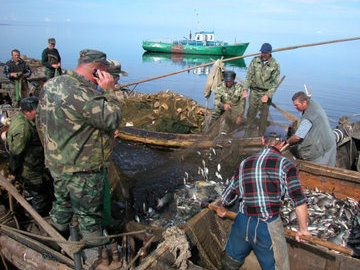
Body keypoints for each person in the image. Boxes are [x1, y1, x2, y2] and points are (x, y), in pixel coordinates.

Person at [37, 49, 122, 265]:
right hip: (83, 171)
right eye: (106, 72)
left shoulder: (51, 85)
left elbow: (41, 122)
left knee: (61, 208)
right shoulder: (86, 94)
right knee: (89, 219)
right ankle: (96, 263)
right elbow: (112, 119)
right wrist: (109, 91)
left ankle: (46, 250)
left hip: (57, 165)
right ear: (98, 70)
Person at [217, 125, 310, 270]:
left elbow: (229, 194)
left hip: (242, 222)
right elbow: (298, 200)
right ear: (282, 144)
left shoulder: (244, 163)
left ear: (262, 140)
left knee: (230, 262)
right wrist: (303, 229)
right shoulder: (287, 166)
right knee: (278, 266)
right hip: (267, 226)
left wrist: (222, 208)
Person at [7, 96, 53, 217]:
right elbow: (16, 153)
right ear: (27, 112)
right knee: (39, 197)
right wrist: (13, 171)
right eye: (36, 112)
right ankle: (34, 219)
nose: (39, 115)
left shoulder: (25, 120)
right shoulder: (23, 128)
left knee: (40, 193)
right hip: (29, 170)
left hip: (35, 165)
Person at [287, 91, 337, 166]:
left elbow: (297, 137)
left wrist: (288, 141)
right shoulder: (313, 104)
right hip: (330, 142)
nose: (295, 107)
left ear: (304, 102)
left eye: (297, 105)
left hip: (321, 150)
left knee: (319, 172)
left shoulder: (308, 118)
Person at [242, 43, 280, 136]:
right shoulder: (255, 60)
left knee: (263, 116)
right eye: (262, 52)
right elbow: (249, 76)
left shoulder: (275, 65)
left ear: (270, 52)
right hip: (254, 92)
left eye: (265, 53)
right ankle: (247, 134)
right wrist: (245, 88)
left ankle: (260, 136)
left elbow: (274, 83)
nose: (263, 54)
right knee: (250, 114)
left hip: (265, 94)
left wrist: (267, 95)